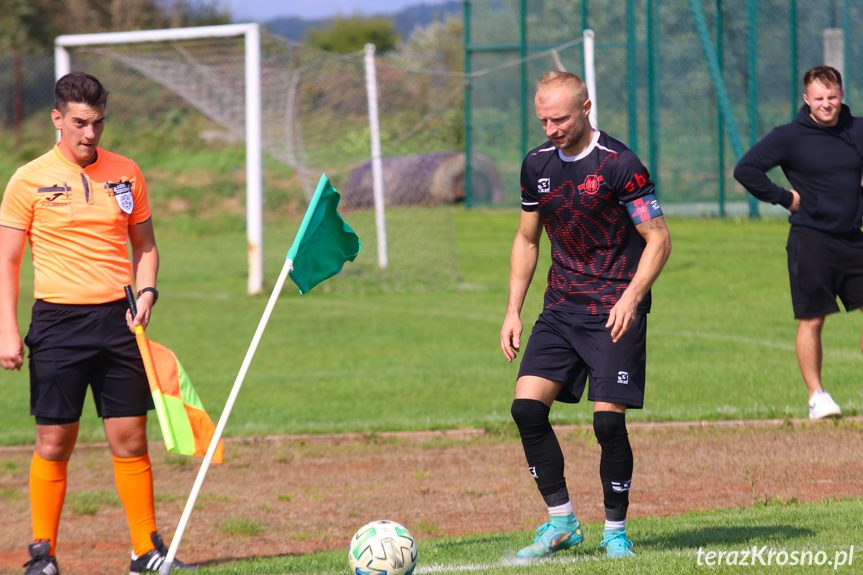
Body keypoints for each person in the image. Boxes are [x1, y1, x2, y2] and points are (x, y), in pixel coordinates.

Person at [0, 72, 194, 574]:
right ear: (57, 119)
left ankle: (144, 551)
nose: (91, 134)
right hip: (57, 323)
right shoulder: (27, 178)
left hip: (119, 322)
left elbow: (145, 246)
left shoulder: (127, 172)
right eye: (81, 123)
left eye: (98, 123)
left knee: (131, 438)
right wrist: (6, 330)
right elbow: (7, 262)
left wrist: (147, 291)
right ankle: (42, 555)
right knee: (53, 443)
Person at [500, 71, 671, 560]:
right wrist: (513, 310)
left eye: (560, 118)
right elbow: (527, 239)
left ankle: (615, 532)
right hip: (560, 307)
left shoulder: (621, 164)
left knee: (608, 426)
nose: (550, 128)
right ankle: (561, 524)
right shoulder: (536, 165)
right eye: (543, 119)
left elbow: (658, 239)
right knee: (526, 410)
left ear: (586, 108)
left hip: (615, 306)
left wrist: (632, 297)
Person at [734, 65, 862, 420]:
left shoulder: (857, 129)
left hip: (854, 238)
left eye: (832, 97)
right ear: (807, 100)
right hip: (811, 239)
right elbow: (746, 169)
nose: (827, 104)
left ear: (841, 95)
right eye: (819, 98)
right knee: (813, 319)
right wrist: (783, 198)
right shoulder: (789, 136)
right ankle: (817, 396)